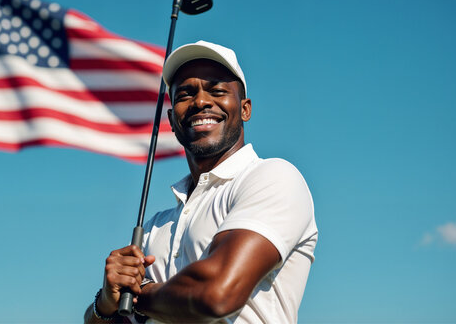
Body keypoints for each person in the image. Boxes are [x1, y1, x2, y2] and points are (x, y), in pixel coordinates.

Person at [84, 40, 318, 323]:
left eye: (217, 90)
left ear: (245, 109)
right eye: (184, 94)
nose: (201, 101)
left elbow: (217, 294)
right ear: (172, 119)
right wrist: (107, 303)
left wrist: (138, 295)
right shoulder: (155, 227)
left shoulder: (272, 177)